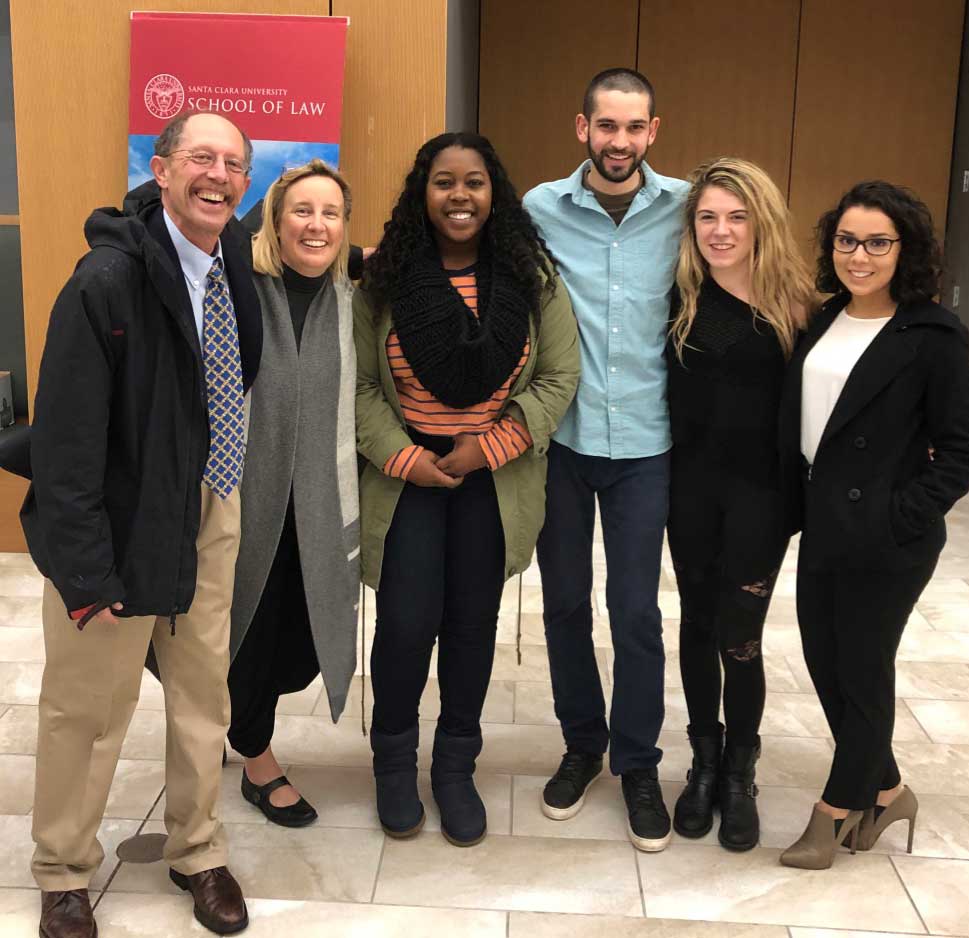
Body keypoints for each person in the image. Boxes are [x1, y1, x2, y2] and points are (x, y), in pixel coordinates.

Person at [21, 111, 260, 936]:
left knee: (202, 696)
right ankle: (62, 869)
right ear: (160, 171)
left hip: (209, 503)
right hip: (118, 524)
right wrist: (84, 571)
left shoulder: (232, 257)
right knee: (88, 708)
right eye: (201, 157)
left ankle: (199, 848)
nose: (217, 175)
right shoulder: (105, 282)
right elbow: (66, 444)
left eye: (233, 163)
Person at [355, 131, 579, 847]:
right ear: (422, 193)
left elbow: (558, 379)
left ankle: (455, 768)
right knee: (405, 626)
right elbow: (358, 386)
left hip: (491, 479)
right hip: (408, 480)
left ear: (494, 193)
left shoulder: (532, 278)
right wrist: (404, 458)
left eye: (474, 182)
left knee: (471, 629)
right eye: (444, 182)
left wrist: (489, 447)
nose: (460, 196)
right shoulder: (383, 281)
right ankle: (393, 763)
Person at [778, 181, 969, 869]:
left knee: (862, 669)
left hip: (889, 533)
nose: (858, 255)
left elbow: (962, 451)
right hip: (823, 521)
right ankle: (890, 790)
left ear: (905, 250)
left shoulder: (934, 335)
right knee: (825, 663)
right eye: (846, 240)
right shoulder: (822, 318)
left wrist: (901, 515)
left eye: (877, 242)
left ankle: (837, 810)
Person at [523, 67, 689, 851]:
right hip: (560, 440)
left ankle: (639, 760)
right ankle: (583, 744)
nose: (619, 142)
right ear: (580, 127)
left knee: (635, 613)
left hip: (647, 444)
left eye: (634, 128)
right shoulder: (540, 209)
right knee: (561, 605)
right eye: (606, 126)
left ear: (653, 132)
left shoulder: (687, 208)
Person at [666, 157, 812, 850]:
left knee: (740, 638)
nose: (721, 231)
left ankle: (740, 773)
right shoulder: (678, 296)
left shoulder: (801, 305)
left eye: (736, 217)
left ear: (762, 222)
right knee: (695, 625)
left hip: (763, 496)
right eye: (708, 218)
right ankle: (703, 762)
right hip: (690, 490)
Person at [227, 160, 359, 826]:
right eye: (301, 210)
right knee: (247, 627)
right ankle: (255, 755)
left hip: (317, 503)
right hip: (243, 502)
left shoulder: (351, 300)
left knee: (300, 637)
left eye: (330, 213)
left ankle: (237, 716)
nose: (316, 224)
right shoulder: (239, 289)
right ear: (274, 220)